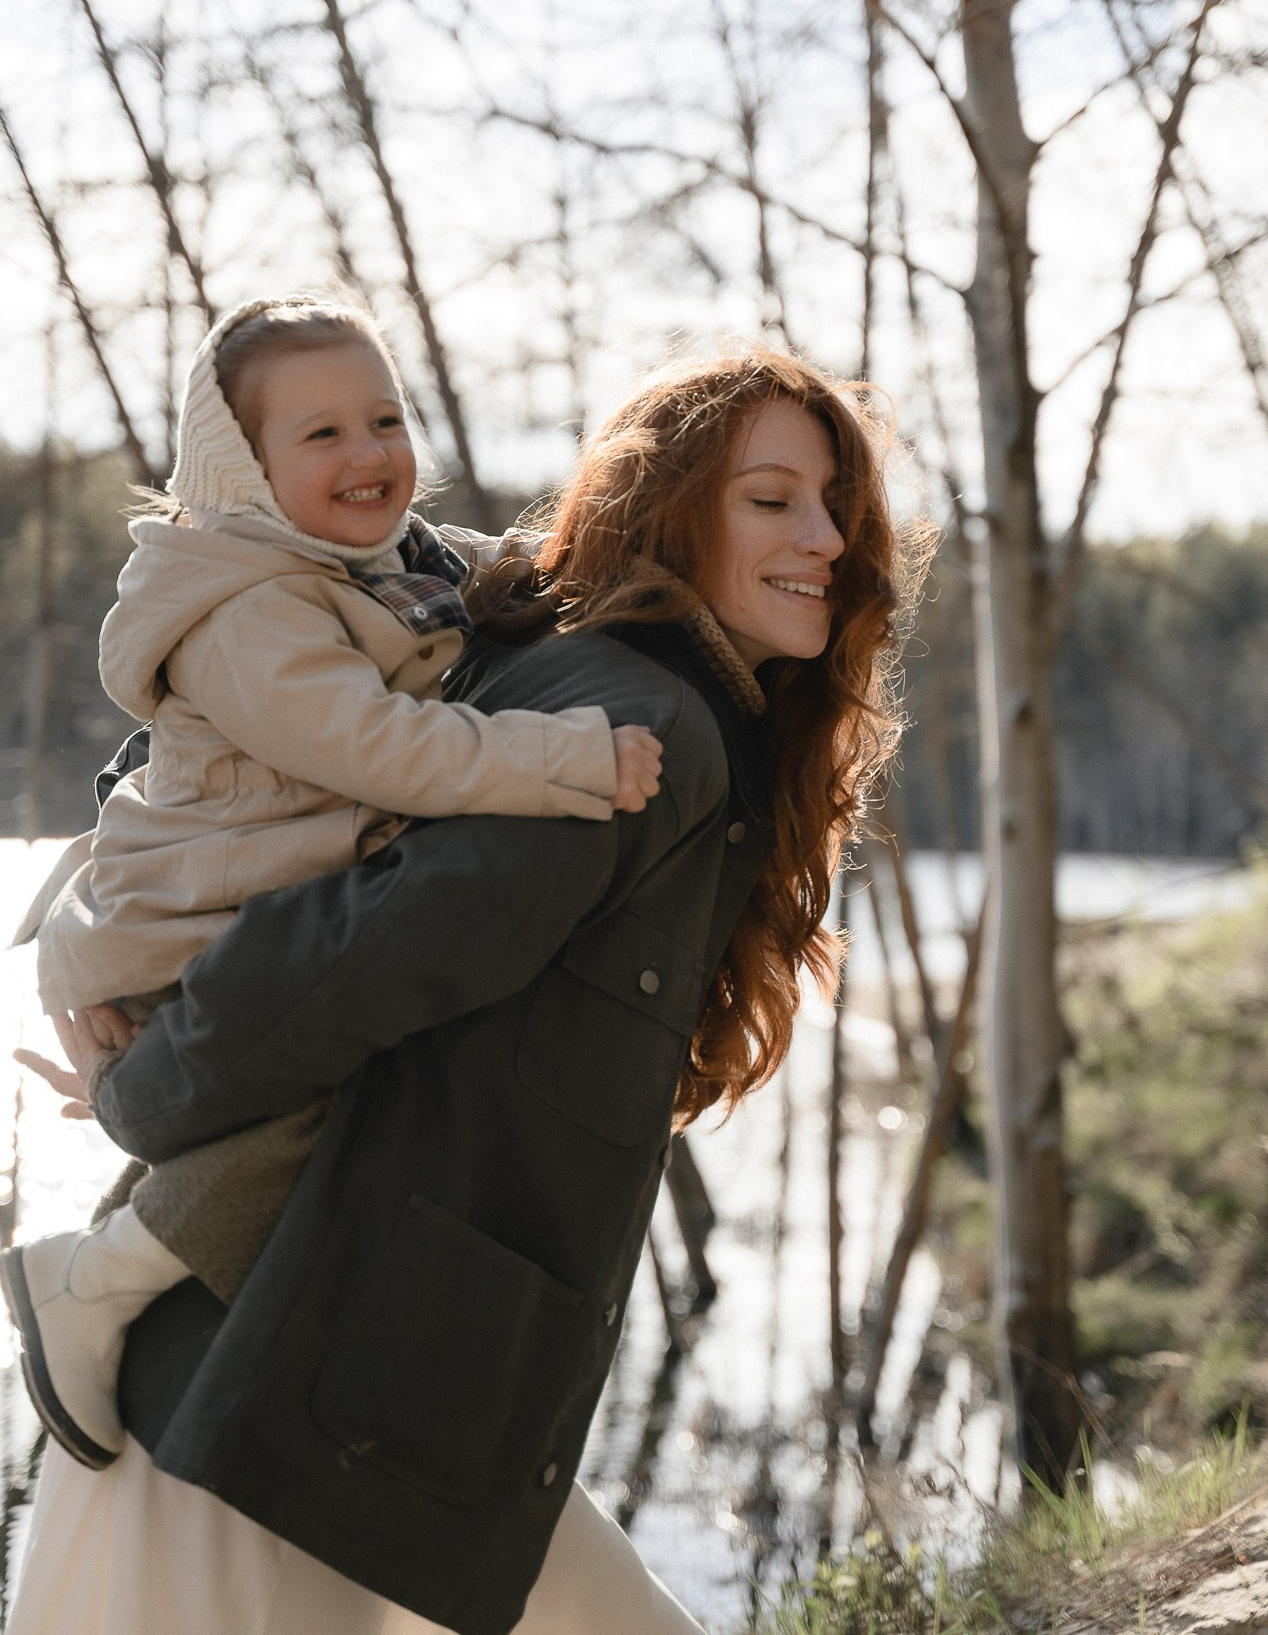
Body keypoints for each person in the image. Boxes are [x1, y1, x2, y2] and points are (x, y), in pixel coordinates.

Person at [9, 348, 920, 1635]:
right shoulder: (639, 731)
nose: (823, 537)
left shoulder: (551, 650)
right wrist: (141, 1079)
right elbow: (362, 940)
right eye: (770, 500)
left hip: (365, 1382)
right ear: (672, 511)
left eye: (833, 502)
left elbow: (265, 740)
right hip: (265, 1383)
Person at [3, 295, 662, 1474]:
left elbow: (517, 578)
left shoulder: (392, 562)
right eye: (320, 436)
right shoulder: (249, 605)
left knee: (345, 1107)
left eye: (384, 418)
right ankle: (87, 1287)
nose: (368, 454)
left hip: (263, 913)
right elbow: (378, 746)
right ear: (243, 471)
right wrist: (570, 758)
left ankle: (154, 1333)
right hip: (183, 934)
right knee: (336, 1095)